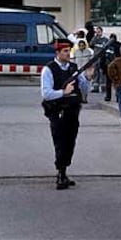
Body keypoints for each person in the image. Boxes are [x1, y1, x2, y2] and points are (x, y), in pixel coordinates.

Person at [41, 38, 93, 190]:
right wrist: (63, 92)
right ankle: (60, 173)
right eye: (65, 51)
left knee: (70, 141)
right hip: (57, 111)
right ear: (57, 52)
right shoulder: (49, 69)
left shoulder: (74, 68)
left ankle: (64, 170)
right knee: (60, 141)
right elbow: (46, 93)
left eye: (69, 51)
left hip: (72, 110)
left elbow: (83, 89)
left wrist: (88, 78)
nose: (68, 54)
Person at [89, 26, 109, 93]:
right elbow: (91, 44)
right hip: (95, 58)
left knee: (102, 73)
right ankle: (95, 87)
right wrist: (95, 37)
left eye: (99, 31)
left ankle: (103, 87)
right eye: (97, 32)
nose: (98, 33)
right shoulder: (94, 39)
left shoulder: (105, 39)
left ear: (101, 32)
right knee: (95, 73)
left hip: (102, 58)